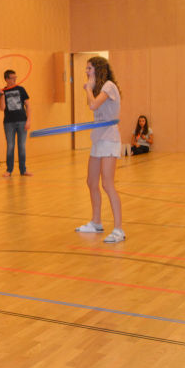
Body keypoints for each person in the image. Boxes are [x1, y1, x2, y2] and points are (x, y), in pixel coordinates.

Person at [75, 56, 124, 243]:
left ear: (98, 69)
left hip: (109, 140)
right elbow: (94, 105)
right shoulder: (99, 89)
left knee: (107, 184)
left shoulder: (109, 86)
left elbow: (93, 105)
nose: (86, 72)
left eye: (89, 68)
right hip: (98, 139)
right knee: (91, 181)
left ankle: (119, 229)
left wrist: (88, 89)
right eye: (86, 68)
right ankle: (96, 222)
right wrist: (90, 89)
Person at [0, 69, 31, 177]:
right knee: (10, 146)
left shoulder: (21, 89)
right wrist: (1, 95)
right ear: (6, 79)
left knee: (22, 146)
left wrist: (28, 120)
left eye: (16, 77)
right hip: (9, 123)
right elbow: (2, 108)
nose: (15, 79)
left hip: (22, 121)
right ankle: (9, 170)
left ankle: (23, 170)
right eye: (12, 78)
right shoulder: (3, 91)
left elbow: (28, 105)